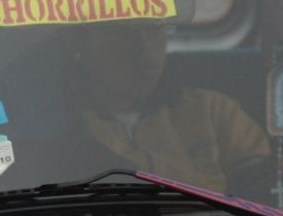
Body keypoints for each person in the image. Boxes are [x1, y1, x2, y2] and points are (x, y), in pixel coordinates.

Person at [72, 19, 269, 192]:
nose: (144, 46)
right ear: (79, 41)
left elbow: (263, 191)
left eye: (155, 28)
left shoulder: (212, 111)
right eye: (122, 33)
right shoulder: (61, 127)